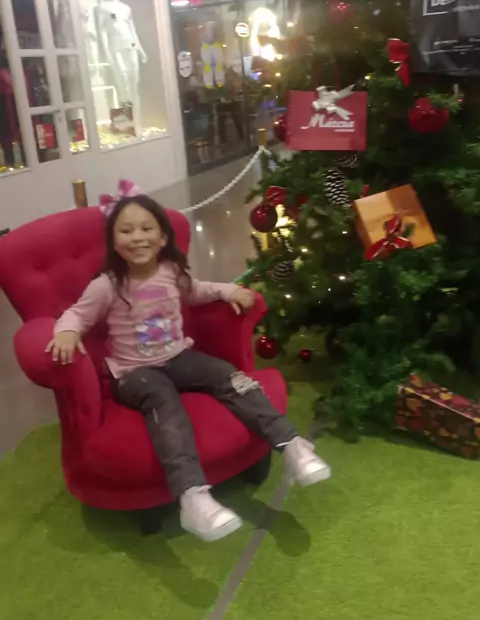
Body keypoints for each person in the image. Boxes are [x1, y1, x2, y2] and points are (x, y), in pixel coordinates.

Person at [47, 181, 331, 542]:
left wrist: (229, 290)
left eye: (147, 228)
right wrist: (66, 332)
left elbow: (197, 291)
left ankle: (290, 445)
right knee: (164, 402)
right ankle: (193, 497)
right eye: (126, 230)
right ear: (114, 241)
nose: (138, 237)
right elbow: (78, 313)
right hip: (135, 373)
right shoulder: (108, 284)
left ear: (163, 237)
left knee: (229, 376)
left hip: (178, 357)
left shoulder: (171, 272)